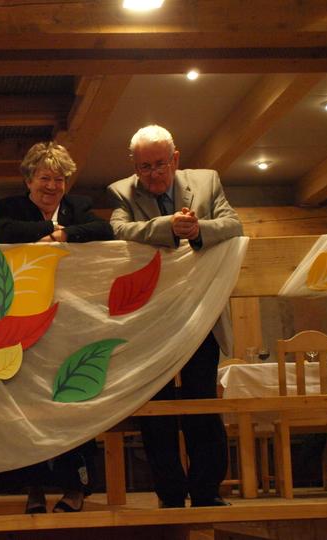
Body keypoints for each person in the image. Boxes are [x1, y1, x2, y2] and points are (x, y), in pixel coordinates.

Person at [107, 124, 243, 508]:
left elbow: (234, 225)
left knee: (202, 404)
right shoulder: (121, 191)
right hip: (151, 322)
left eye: (160, 164)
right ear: (134, 166)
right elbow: (118, 230)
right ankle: (169, 494)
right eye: (144, 167)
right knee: (157, 410)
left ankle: (206, 491)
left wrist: (198, 229)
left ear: (176, 159)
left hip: (201, 315)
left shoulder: (207, 182)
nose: (153, 174)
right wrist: (167, 227)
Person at [0, 141, 113, 513]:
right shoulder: (9, 206)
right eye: (45, 178)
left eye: (59, 180)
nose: (52, 186)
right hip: (26, 317)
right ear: (29, 180)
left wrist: (61, 235)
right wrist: (48, 227)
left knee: (73, 398)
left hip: (71, 320)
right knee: (28, 402)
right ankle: (34, 489)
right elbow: (5, 232)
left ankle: (76, 488)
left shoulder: (79, 206)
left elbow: (103, 229)